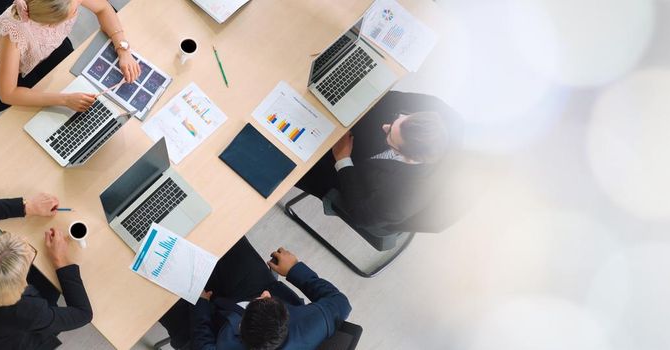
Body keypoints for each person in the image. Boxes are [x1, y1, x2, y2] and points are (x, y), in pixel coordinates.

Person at [295, 91, 462, 230]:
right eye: (399, 119)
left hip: (360, 187)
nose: (385, 126)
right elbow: (386, 97)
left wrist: (343, 159)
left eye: (390, 135)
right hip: (370, 152)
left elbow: (362, 216)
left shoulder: (401, 201)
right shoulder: (436, 111)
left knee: (300, 158)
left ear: (406, 156)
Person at [0, 193, 92, 349]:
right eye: (28, 259)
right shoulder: (29, 311)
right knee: (47, 281)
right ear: (23, 285)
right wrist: (59, 260)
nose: (26, 242)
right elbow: (83, 313)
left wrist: (27, 206)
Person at [158, 238, 351, 350]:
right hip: (249, 289)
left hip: (211, 331)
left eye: (263, 298)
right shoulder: (316, 323)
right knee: (224, 236)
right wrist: (294, 269)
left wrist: (200, 305)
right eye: (269, 299)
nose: (266, 294)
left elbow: (204, 345)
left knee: (157, 289)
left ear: (241, 327)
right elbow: (340, 301)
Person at [0, 0, 141, 112]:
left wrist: (123, 49)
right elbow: (8, 94)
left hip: (50, 51)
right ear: (51, 24)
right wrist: (64, 100)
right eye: (74, 11)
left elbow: (103, 8)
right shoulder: (14, 35)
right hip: (15, 74)